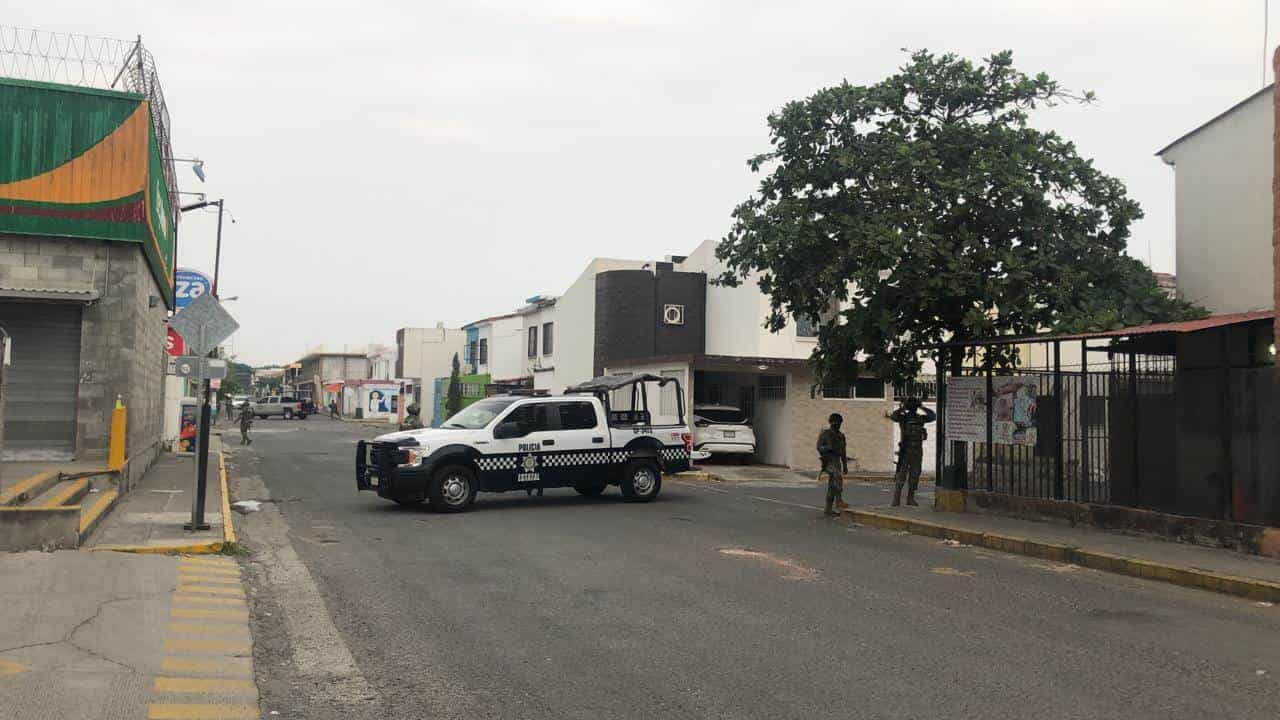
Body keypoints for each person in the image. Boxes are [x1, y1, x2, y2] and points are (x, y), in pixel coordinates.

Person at [887, 397, 936, 506]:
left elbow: (932, 416)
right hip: (906, 449)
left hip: (917, 449)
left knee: (915, 473)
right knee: (901, 474)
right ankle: (896, 498)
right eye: (912, 404)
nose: (913, 406)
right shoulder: (903, 418)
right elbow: (893, 416)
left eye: (915, 404)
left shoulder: (920, 418)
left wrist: (922, 406)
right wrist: (902, 408)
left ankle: (910, 498)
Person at [816, 412, 848, 517]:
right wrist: (827, 448)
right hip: (827, 461)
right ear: (830, 423)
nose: (837, 425)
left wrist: (845, 465)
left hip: (836, 461)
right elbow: (819, 447)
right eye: (835, 423)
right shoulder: (825, 434)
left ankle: (828, 509)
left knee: (832, 485)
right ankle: (839, 500)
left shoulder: (841, 436)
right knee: (837, 476)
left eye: (839, 423)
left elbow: (843, 452)